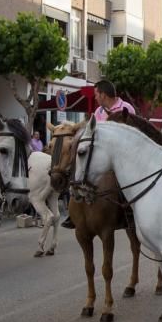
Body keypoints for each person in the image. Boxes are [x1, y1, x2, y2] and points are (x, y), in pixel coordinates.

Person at [61, 80, 135, 228]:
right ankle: (75, 213)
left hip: (121, 158)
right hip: (101, 157)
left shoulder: (127, 108)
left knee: (125, 184)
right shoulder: (99, 112)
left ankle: (130, 213)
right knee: (79, 174)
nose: (95, 98)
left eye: (96, 94)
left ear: (103, 94)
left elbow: (132, 135)